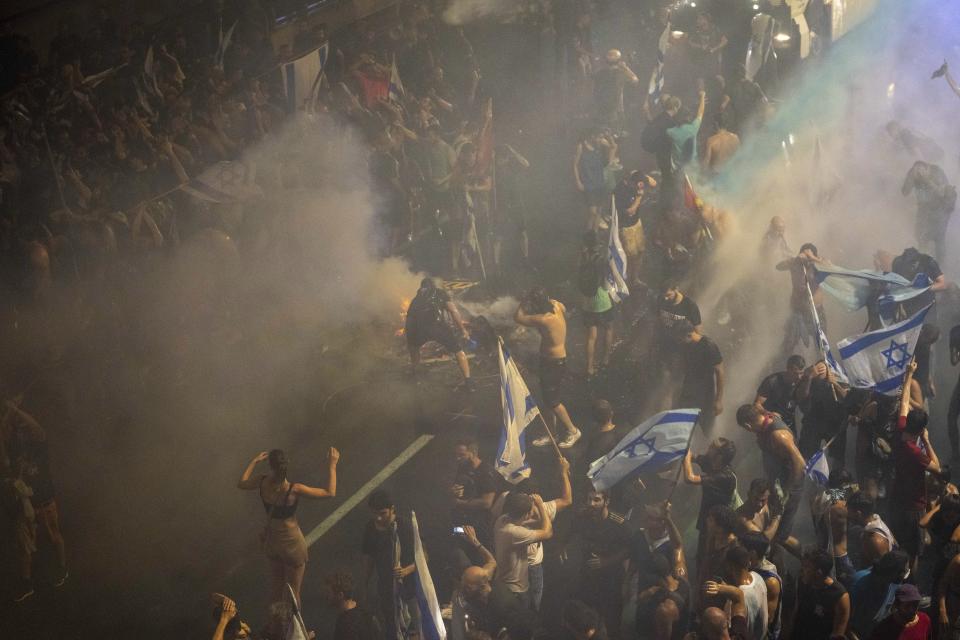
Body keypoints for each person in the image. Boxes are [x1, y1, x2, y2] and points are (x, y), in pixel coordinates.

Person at [237, 447, 339, 606]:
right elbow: (329, 492)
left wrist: (254, 461)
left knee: (276, 588)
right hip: (291, 543)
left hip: (273, 541)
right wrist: (332, 465)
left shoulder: (262, 482)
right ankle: (294, 628)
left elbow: (242, 483)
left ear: (270, 466)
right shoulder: (294, 489)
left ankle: (275, 625)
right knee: (293, 591)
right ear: (286, 465)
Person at [2, 399, 68, 601]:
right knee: (25, 546)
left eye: (23, 427)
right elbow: (3, 431)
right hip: (25, 502)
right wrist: (9, 413)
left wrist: (16, 410)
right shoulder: (14, 446)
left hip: (44, 500)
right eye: (18, 427)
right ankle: (26, 584)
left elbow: (37, 427)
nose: (21, 431)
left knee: (53, 534)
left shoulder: (39, 443)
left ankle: (62, 568)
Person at [490, 456, 572, 611]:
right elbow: (565, 502)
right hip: (528, 569)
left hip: (508, 569)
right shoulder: (538, 511)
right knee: (530, 606)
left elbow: (493, 518)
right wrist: (564, 473)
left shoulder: (504, 508)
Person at [515, 288, 582, 448]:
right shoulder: (556, 305)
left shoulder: (544, 319)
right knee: (547, 399)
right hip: (551, 361)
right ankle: (552, 433)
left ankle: (573, 431)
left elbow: (518, 318)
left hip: (554, 362)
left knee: (553, 402)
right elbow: (563, 307)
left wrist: (523, 301)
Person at [890, 363, 942, 569]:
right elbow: (937, 468)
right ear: (920, 429)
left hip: (897, 498)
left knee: (900, 543)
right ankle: (910, 584)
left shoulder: (900, 430)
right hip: (913, 505)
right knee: (914, 550)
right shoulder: (914, 451)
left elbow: (904, 403)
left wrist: (909, 375)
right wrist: (927, 441)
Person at [565, 488, 631, 638]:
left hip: (611, 579)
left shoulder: (618, 522)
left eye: (596, 500)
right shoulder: (582, 517)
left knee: (611, 620)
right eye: (589, 499)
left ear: (606, 501)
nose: (591, 503)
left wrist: (606, 561)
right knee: (586, 617)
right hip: (588, 576)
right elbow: (571, 530)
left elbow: (630, 549)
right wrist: (563, 546)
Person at [736, 405, 806, 545]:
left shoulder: (778, 435)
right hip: (777, 483)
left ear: (748, 426)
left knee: (779, 534)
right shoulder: (765, 420)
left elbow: (800, 464)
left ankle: (805, 557)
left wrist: (788, 490)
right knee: (773, 529)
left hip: (788, 487)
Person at [362, 490, 419, 640]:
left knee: (413, 624)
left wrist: (406, 570)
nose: (378, 518)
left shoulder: (405, 526)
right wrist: (365, 583)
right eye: (375, 513)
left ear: (392, 509)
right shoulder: (371, 528)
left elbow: (424, 556)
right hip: (386, 587)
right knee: (391, 623)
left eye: (383, 513)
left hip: (409, 587)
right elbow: (369, 556)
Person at [405, 277, 474, 390]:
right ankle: (469, 382)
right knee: (458, 350)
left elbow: (409, 320)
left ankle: (415, 376)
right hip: (437, 327)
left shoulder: (416, 299)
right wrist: (463, 330)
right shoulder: (440, 293)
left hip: (418, 329)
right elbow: (453, 311)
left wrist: (410, 338)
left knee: (414, 349)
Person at [682, 438, 737, 573]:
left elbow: (689, 478)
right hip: (708, 520)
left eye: (712, 447)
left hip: (719, 525)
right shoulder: (711, 462)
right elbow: (693, 457)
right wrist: (686, 449)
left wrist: (685, 458)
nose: (708, 446)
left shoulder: (725, 476)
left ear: (719, 456)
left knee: (711, 561)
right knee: (702, 558)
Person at [493, 491, 553, 607]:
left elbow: (522, 521)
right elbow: (548, 533)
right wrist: (540, 506)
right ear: (526, 514)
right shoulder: (515, 533)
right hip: (516, 590)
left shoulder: (502, 520)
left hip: (502, 584)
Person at [450, 437, 502, 553]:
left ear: (473, 453)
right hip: (463, 522)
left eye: (461, 455)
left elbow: (486, 503)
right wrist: (455, 491)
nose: (457, 458)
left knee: (480, 555)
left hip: (481, 525)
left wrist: (459, 503)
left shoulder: (486, 472)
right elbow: (460, 486)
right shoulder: (463, 467)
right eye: (456, 455)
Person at [674, 320, 724, 434]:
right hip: (688, 390)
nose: (679, 342)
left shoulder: (708, 346)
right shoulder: (686, 345)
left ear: (689, 334)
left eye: (680, 338)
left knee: (707, 426)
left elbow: (720, 372)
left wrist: (719, 400)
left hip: (706, 393)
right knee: (683, 423)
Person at [776, 243, 827, 355]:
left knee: (821, 344)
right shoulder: (795, 263)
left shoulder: (818, 264)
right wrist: (797, 259)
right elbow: (779, 266)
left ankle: (821, 366)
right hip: (798, 310)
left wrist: (813, 258)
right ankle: (786, 364)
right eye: (805, 252)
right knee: (789, 342)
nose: (806, 256)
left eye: (809, 253)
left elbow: (830, 267)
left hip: (816, 310)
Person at [901, 161, 956, 262]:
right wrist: (910, 178)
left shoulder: (937, 172)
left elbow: (943, 193)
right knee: (920, 236)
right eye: (916, 171)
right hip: (923, 209)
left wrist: (927, 180)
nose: (919, 175)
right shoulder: (913, 173)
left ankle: (941, 267)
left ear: (928, 169)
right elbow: (905, 192)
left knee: (939, 239)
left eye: (921, 171)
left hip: (940, 210)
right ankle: (924, 263)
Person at [578, 231, 615, 379]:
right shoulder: (601, 260)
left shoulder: (582, 257)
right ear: (597, 244)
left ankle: (589, 368)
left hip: (587, 303)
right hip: (602, 302)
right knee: (609, 328)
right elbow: (606, 284)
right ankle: (605, 360)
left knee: (591, 337)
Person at [792, 548, 850, 640]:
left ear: (818, 573)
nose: (802, 570)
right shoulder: (803, 583)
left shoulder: (839, 596)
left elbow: (837, 633)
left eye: (807, 567)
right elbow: (796, 613)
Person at [740, 532, 782, 640]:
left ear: (752, 553)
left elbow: (768, 618)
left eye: (741, 549)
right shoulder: (747, 568)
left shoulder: (770, 581)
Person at [721, 544, 768, 640]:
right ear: (748, 562)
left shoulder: (736, 599)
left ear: (729, 566)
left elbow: (734, 632)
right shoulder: (758, 578)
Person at [574, 129, 617, 230]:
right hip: (588, 183)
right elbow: (575, 165)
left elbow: (614, 147)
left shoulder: (599, 145)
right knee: (592, 212)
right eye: (599, 137)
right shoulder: (581, 146)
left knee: (598, 212)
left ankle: (594, 238)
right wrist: (578, 181)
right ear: (592, 136)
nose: (600, 139)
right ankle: (588, 239)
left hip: (600, 182)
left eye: (601, 137)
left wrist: (609, 137)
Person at [753, 355, 805, 433]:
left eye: (801, 373)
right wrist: (769, 413)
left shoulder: (802, 381)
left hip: (789, 424)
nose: (799, 377)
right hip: (771, 424)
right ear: (788, 369)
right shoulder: (772, 381)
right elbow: (756, 404)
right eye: (795, 373)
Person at [324, 571, 382, 640]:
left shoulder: (345, 624)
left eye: (328, 593)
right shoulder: (367, 613)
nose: (326, 596)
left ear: (340, 595)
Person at [593, 49, 639, 131]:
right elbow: (635, 81)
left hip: (601, 108)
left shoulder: (599, 72)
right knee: (617, 133)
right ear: (619, 61)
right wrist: (626, 68)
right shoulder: (621, 73)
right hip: (616, 110)